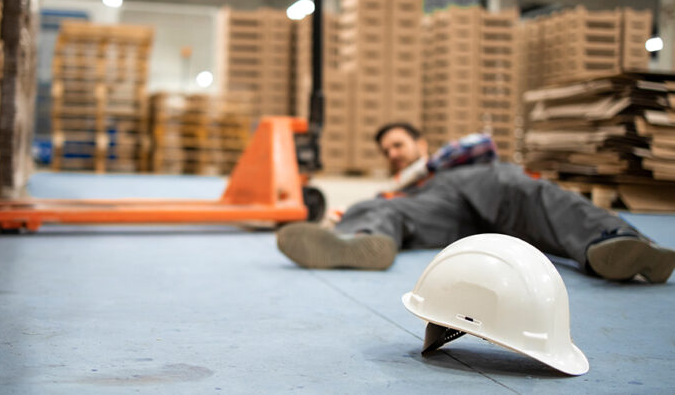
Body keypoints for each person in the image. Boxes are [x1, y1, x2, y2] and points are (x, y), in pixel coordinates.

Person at [276, 122, 675, 283]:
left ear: (420, 144)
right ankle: (357, 242)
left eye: (398, 144)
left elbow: (483, 143)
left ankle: (618, 243)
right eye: (387, 150)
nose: (393, 153)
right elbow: (390, 199)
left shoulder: (456, 157)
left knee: (535, 195)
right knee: (383, 206)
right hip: (443, 210)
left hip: (482, 188)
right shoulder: (404, 186)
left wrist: (422, 169)